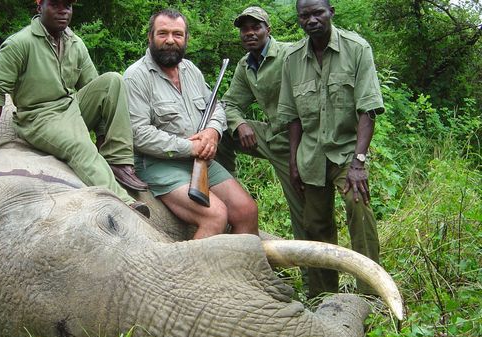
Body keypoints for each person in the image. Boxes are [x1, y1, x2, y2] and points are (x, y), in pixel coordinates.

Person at [0, 0, 150, 217]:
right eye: (55, 5)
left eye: (68, 6)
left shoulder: (75, 42)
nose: (63, 11)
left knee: (112, 80)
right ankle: (124, 202)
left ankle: (118, 161)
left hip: (71, 105)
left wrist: (102, 134)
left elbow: (95, 88)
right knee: (80, 146)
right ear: (40, 8)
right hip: (40, 116)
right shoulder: (20, 43)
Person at [277, 0, 385, 297]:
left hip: (347, 153)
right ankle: (324, 296)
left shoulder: (356, 48)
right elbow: (293, 117)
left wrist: (359, 163)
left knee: (358, 210)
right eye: (304, 15)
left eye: (317, 13)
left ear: (331, 12)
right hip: (311, 155)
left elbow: (368, 110)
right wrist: (293, 160)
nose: (311, 20)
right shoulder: (293, 59)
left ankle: (370, 294)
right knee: (315, 225)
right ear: (299, 19)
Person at [124, 9, 259, 239]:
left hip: (200, 160)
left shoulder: (191, 70)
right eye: (162, 33)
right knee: (215, 215)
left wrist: (213, 132)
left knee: (247, 211)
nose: (170, 40)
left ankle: (232, 273)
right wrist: (191, 147)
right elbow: (139, 134)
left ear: (186, 39)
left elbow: (215, 107)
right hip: (159, 164)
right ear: (150, 37)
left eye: (177, 34)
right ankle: (191, 276)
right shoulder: (135, 77)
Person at [218, 6, 308, 241]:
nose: (249, 33)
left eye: (255, 27)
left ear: (268, 29)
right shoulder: (245, 65)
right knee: (220, 132)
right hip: (272, 137)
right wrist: (239, 124)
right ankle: (225, 190)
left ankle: (313, 276)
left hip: (302, 142)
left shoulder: (291, 54)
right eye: (244, 29)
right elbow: (228, 104)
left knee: (304, 213)